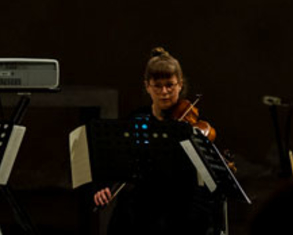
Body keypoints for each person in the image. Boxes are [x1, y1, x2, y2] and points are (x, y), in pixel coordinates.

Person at [92, 46, 218, 234]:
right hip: (144, 201)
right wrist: (104, 186)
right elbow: (118, 160)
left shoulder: (190, 123)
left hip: (181, 201)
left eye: (170, 85)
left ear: (180, 85)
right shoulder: (137, 119)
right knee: (125, 213)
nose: (164, 92)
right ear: (147, 86)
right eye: (157, 86)